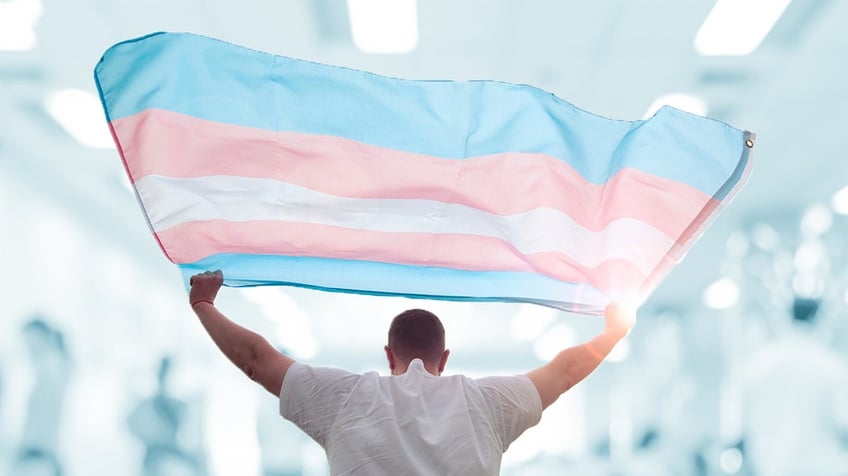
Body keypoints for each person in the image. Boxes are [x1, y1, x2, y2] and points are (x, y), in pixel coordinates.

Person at [188, 270, 634, 475]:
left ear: (388, 355)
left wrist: (204, 304)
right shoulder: (489, 405)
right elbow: (566, 372)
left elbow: (256, 360)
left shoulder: (346, 399)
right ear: (445, 359)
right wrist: (614, 331)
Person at [724, 297, 848, 476]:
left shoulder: (755, 367)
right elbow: (843, 423)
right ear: (819, 318)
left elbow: (736, 433)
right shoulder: (831, 368)